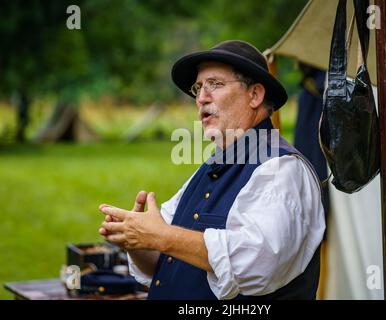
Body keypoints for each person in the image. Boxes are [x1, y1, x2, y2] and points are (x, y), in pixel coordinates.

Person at [98, 40, 325, 300]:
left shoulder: (283, 170)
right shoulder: (210, 166)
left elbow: (254, 264)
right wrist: (136, 238)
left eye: (215, 84)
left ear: (255, 95)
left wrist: (161, 236)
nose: (201, 98)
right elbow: (162, 258)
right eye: (198, 88)